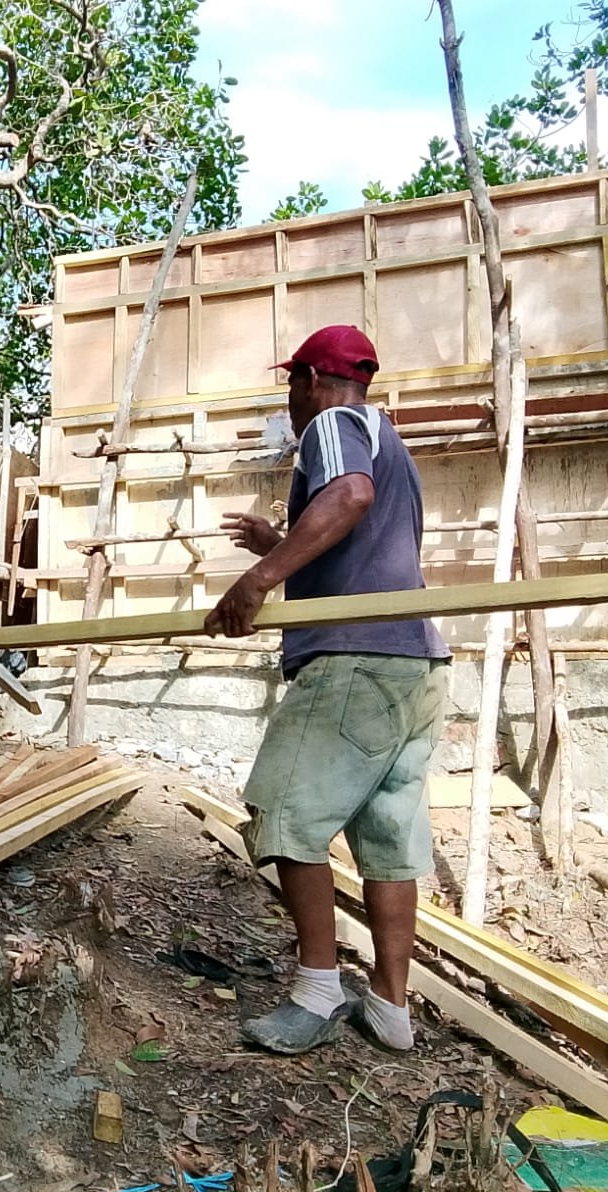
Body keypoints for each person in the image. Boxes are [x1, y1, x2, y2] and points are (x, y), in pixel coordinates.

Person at [203, 325, 452, 1056]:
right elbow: (360, 534)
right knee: (389, 839)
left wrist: (259, 578)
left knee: (282, 813)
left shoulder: (334, 425)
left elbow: (349, 495)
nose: (291, 399)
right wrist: (277, 544)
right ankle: (391, 1007)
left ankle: (318, 988)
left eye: (292, 383)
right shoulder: (388, 438)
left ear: (313, 380)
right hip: (414, 665)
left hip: (355, 661)